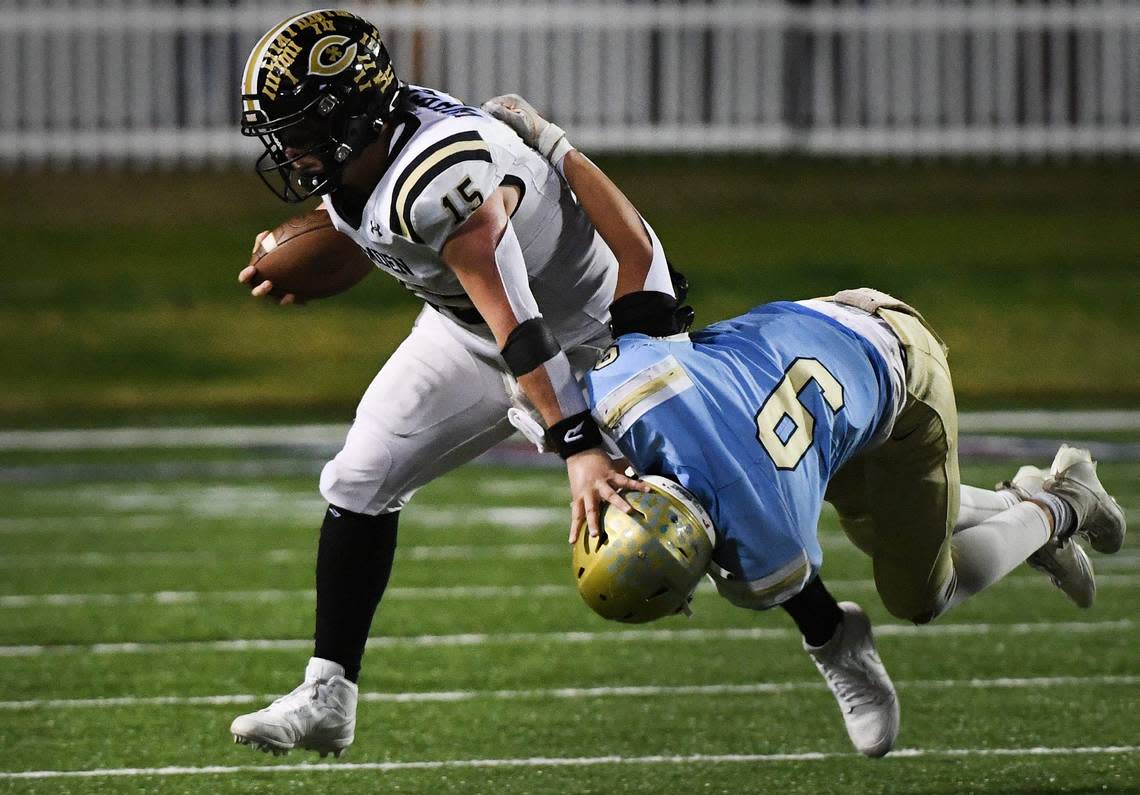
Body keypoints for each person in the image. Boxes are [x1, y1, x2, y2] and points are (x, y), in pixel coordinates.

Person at [484, 95, 1128, 758]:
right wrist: (552, 141)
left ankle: (1059, 503)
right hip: (835, 332)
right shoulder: (636, 392)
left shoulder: (763, 546)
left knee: (921, 592)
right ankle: (1026, 498)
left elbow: (795, 591)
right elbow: (636, 248)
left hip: (901, 384)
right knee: (889, 519)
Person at [228, 10, 696, 757]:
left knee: (690, 536)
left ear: (349, 116)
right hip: (471, 333)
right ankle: (328, 694)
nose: (287, 151)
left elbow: (519, 319)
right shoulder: (372, 150)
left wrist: (575, 440)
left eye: (301, 132)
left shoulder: (436, 174)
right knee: (357, 479)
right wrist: (322, 267)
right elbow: (375, 236)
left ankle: (834, 624)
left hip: (588, 342)